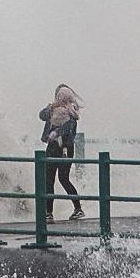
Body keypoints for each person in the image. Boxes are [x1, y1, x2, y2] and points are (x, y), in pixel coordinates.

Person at [39, 84, 85, 222]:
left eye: (61, 96)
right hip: (52, 147)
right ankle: (49, 213)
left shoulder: (71, 112)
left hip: (65, 149)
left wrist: (56, 133)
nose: (59, 99)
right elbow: (42, 115)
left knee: (63, 179)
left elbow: (68, 128)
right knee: (49, 180)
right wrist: (50, 107)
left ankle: (78, 209)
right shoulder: (53, 110)